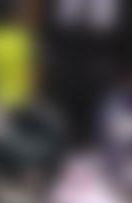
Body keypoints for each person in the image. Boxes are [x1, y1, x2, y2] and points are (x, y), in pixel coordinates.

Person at [35, 0, 132, 147]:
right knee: (55, 135)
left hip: (104, 68)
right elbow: (44, 27)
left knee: (96, 139)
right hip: (61, 69)